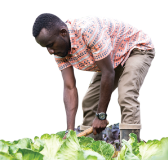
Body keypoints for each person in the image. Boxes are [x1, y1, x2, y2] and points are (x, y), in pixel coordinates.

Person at [32, 13, 156, 144]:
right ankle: (91, 148)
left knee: (126, 94)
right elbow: (69, 87)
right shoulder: (59, 51)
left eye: (51, 44)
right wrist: (69, 131)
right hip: (112, 58)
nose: (50, 51)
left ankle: (130, 148)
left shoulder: (88, 31)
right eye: (46, 47)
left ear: (63, 33)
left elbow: (108, 73)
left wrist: (101, 116)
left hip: (136, 48)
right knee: (89, 101)